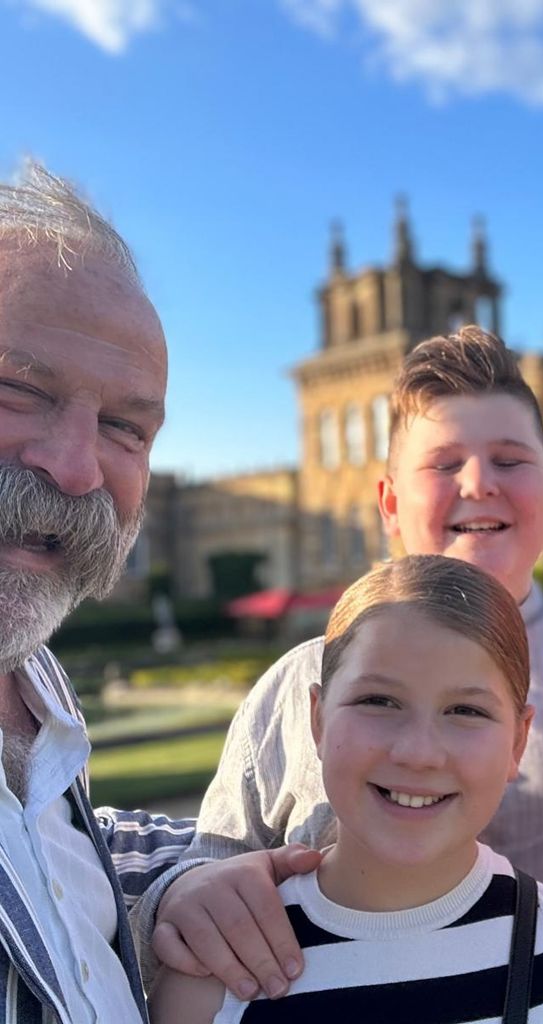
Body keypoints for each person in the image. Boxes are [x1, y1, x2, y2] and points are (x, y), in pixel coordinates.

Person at [144, 325, 543, 995]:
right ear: (389, 502)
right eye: (444, 463)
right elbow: (207, 871)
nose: (479, 483)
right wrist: (190, 890)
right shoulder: (301, 678)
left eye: (509, 459)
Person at [0, 162, 317, 1022]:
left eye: (124, 427)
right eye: (19, 389)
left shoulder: (35, 685)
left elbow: (47, 862)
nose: (74, 468)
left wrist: (178, 879)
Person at [149, 555, 543, 1024]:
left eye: (465, 710)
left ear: (518, 741)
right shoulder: (214, 983)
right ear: (317, 720)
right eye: (379, 701)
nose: (419, 752)